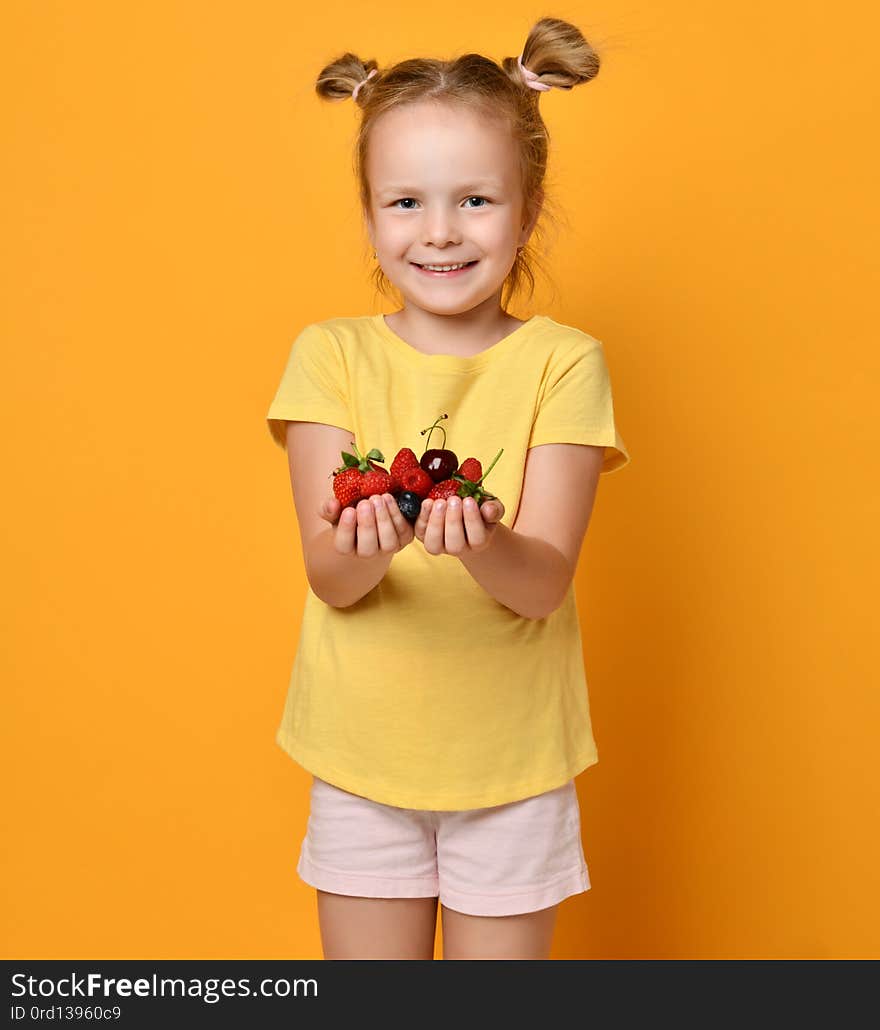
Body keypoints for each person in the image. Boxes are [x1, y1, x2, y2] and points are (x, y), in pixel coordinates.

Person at [266, 17, 632, 960]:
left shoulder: (564, 363)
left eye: (474, 199)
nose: (438, 232)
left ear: (528, 205)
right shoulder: (330, 356)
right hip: (361, 761)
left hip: (513, 768)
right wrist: (375, 539)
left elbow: (542, 583)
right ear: (369, 215)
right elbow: (330, 579)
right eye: (405, 203)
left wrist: (482, 541)